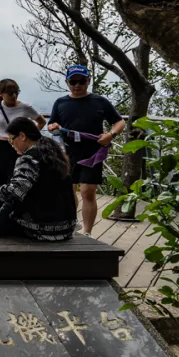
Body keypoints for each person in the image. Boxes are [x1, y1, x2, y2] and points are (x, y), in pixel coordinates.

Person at [47, 64, 126, 234]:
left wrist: (111, 135)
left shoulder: (100, 101)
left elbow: (120, 121)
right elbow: (52, 123)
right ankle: (70, 223)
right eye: (73, 81)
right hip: (67, 152)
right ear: (67, 82)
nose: (77, 85)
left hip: (93, 152)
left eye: (81, 81)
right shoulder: (60, 102)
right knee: (69, 190)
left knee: (87, 191)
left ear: (88, 81)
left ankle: (87, 232)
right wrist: (53, 126)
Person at [0, 117, 77, 241]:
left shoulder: (28, 158)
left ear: (22, 136)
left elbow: (15, 192)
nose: (12, 145)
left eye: (11, 140)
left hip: (41, 228)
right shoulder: (53, 151)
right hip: (66, 227)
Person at [0, 78, 47, 185]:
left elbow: (42, 122)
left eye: (17, 92)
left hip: (19, 147)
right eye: (10, 93)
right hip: (1, 146)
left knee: (18, 177)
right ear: (1, 93)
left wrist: (29, 137)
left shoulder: (25, 107)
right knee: (2, 177)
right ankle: (4, 199)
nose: (14, 96)